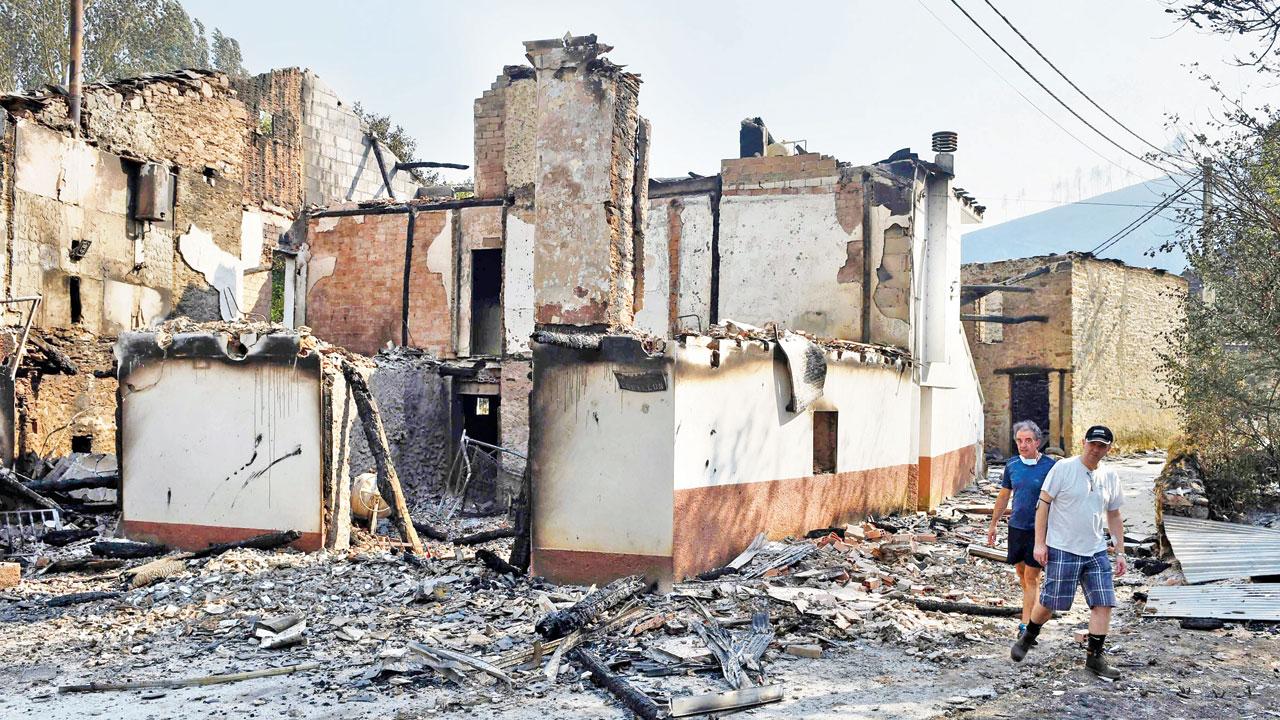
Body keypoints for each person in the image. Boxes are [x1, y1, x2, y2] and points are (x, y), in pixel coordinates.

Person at [1010, 425, 1127, 680]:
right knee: (1051, 603)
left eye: (1102, 446)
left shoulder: (1109, 476)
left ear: (1109, 448)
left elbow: (1115, 515)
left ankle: (1095, 658)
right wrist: (1039, 544)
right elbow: (1043, 506)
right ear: (1084, 442)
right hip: (1063, 547)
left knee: (1104, 602)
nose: (1096, 450)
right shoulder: (1064, 469)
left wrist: (1120, 552)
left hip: (1095, 550)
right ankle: (1029, 634)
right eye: (1092, 444)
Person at [987, 420, 1056, 637]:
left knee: (1032, 576)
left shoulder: (1050, 467)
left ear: (1037, 442)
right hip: (1016, 527)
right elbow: (1004, 495)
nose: (1023, 445)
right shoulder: (1012, 466)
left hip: (1039, 530)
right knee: (1021, 573)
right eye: (1019, 440)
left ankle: (1026, 626)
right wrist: (993, 524)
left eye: (1028, 440)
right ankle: (1034, 611)